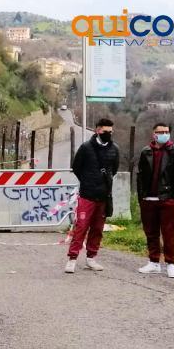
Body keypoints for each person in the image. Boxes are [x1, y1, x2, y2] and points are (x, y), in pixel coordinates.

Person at [65, 117, 119, 274]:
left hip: (103, 196)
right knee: (81, 227)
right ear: (97, 130)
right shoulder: (86, 147)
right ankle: (72, 258)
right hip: (87, 195)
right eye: (105, 131)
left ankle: (91, 258)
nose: (108, 133)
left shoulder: (114, 149)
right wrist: (88, 180)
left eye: (110, 131)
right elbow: (76, 167)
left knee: (97, 229)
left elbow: (113, 170)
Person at [136, 122, 174, 278]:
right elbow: (140, 176)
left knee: (169, 233)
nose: (164, 134)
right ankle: (154, 262)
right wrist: (141, 198)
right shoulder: (146, 152)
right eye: (160, 131)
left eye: (166, 131)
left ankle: (171, 264)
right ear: (154, 134)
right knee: (151, 232)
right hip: (148, 199)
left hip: (167, 199)